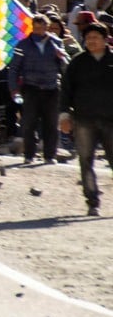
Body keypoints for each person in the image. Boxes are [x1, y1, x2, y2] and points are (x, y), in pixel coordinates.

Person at [59, 23, 113, 216]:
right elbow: (66, 91)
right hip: (84, 120)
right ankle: (92, 201)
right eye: (88, 38)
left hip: (110, 120)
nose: (91, 41)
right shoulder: (77, 62)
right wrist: (64, 115)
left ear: (105, 39)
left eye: (95, 37)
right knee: (86, 161)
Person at [8, 14, 69, 164]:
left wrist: (61, 57)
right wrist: (13, 88)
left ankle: (50, 155)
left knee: (51, 124)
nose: (39, 30)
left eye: (42, 27)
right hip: (31, 88)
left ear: (47, 27)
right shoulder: (22, 45)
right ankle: (29, 155)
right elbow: (14, 68)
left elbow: (66, 67)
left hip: (52, 88)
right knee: (29, 123)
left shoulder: (56, 43)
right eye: (36, 27)